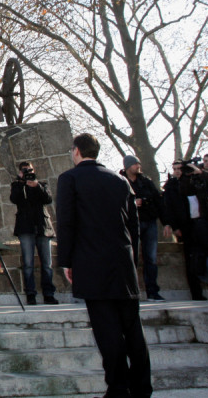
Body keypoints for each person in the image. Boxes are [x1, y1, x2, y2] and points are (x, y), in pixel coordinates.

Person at [57, 133, 151, 398]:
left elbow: (66, 222)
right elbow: (133, 225)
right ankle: (142, 387)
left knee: (107, 329)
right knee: (133, 329)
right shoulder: (120, 180)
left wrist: (66, 261)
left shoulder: (70, 179)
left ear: (77, 151)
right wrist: (132, 259)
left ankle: (118, 388)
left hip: (91, 262)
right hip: (122, 262)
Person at [163, 160, 208, 299]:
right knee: (191, 259)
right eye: (175, 169)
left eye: (180, 168)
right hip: (185, 225)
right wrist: (174, 226)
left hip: (202, 222)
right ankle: (196, 293)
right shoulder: (170, 186)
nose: (177, 171)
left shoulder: (196, 181)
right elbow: (168, 208)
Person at [9, 161, 57, 305]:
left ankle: (49, 294)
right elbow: (14, 199)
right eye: (24, 171)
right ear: (20, 172)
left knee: (47, 263)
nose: (28, 173)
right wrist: (21, 182)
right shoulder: (17, 185)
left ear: (34, 170)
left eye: (29, 170)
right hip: (25, 228)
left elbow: (48, 199)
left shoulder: (41, 185)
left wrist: (36, 186)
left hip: (42, 227)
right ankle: (30, 294)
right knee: (28, 263)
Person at [121, 155, 166, 301]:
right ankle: (131, 290)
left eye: (138, 163)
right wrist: (132, 203)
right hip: (130, 224)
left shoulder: (146, 182)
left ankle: (152, 291)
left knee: (151, 258)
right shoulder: (121, 181)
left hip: (149, 221)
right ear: (128, 166)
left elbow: (158, 200)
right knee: (130, 257)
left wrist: (166, 222)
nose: (138, 166)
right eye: (135, 164)